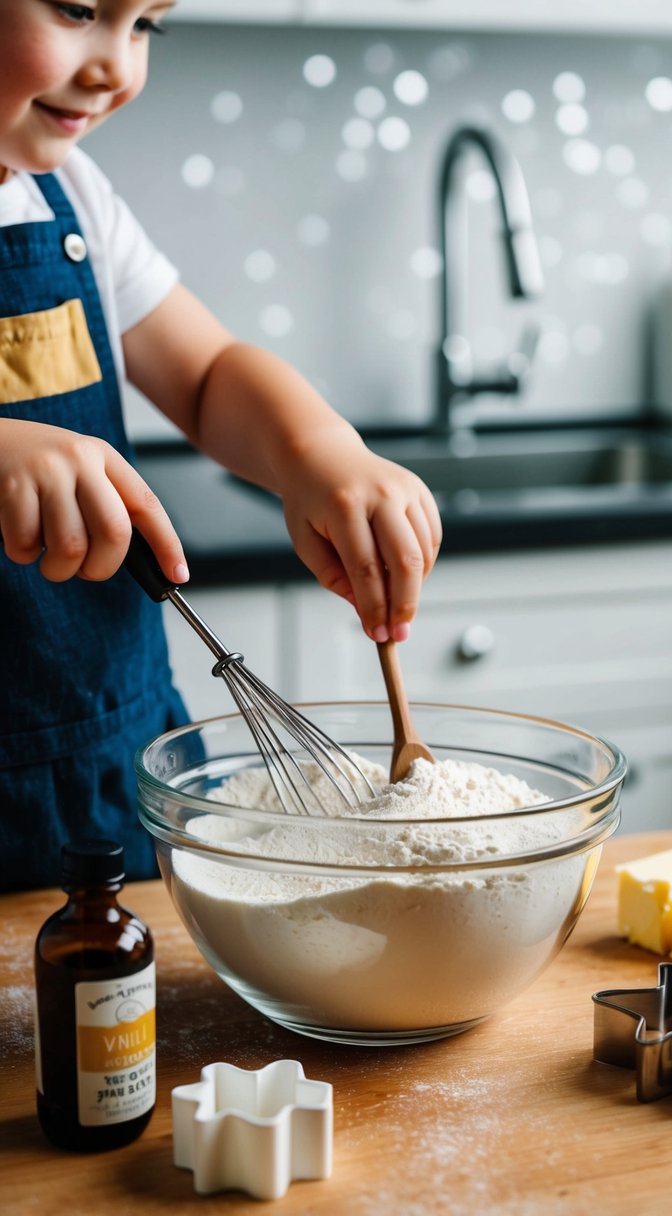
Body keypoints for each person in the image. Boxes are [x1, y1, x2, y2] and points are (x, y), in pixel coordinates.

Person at [0, 0, 442, 890]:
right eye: (81, 10)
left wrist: (317, 451)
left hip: (110, 750)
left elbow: (203, 375)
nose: (115, 66)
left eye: (144, 26)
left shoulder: (71, 194)